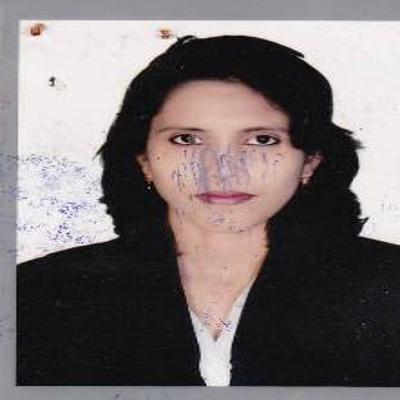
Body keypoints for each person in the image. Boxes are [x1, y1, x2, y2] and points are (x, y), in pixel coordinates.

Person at [17, 34, 400, 386]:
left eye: (262, 140)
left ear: (310, 162)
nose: (222, 169)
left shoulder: (388, 286)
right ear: (143, 159)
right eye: (187, 139)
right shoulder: (36, 292)